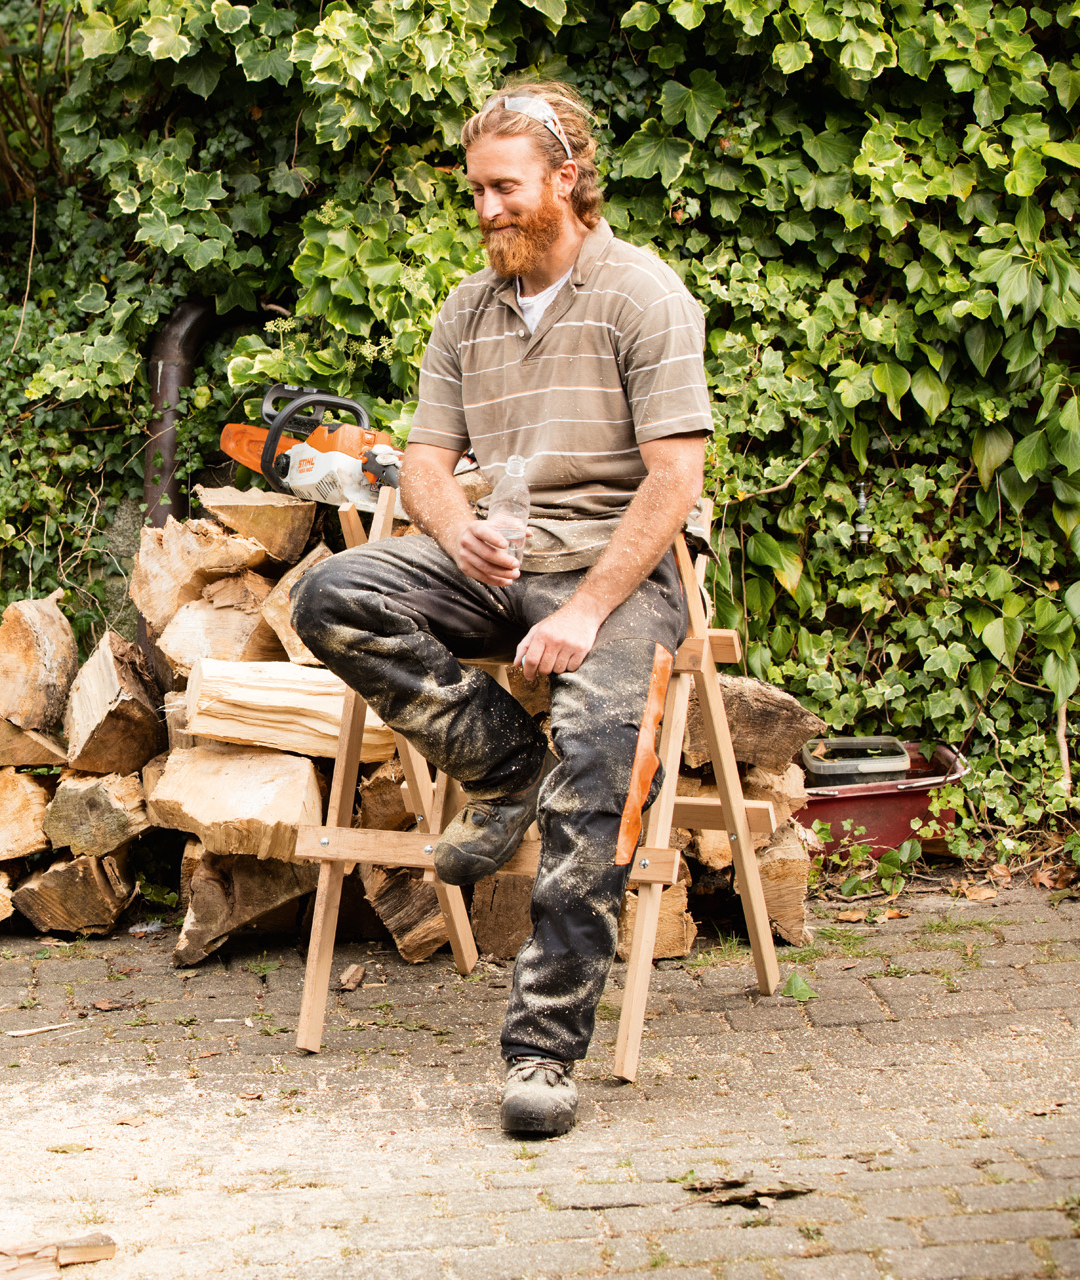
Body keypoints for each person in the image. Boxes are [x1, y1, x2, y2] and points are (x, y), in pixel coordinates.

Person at [290, 81, 712, 1137]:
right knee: (336, 593)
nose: (486, 209)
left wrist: (587, 611)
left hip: (618, 571)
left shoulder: (643, 295)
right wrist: (451, 526)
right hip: (499, 561)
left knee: (600, 739)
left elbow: (674, 480)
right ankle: (502, 761)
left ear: (568, 180)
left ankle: (543, 1050)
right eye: (476, 189)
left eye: (505, 188)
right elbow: (427, 459)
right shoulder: (466, 307)